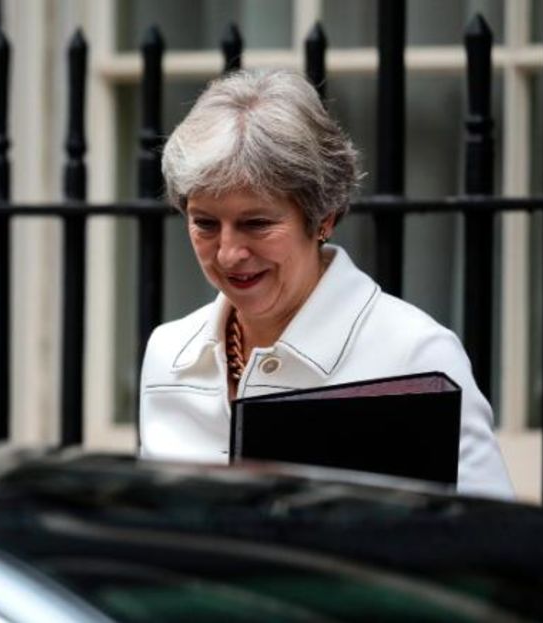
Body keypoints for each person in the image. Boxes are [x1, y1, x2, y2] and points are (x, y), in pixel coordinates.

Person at [137, 69, 514, 499]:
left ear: (324, 217)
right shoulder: (169, 352)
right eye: (205, 223)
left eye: (256, 224)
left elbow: (487, 533)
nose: (228, 253)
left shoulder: (416, 353)